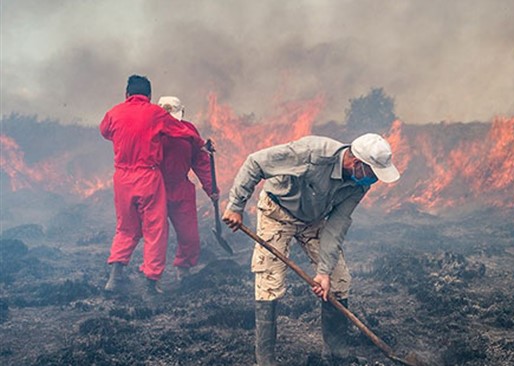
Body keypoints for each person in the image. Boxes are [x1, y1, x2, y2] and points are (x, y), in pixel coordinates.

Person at [222, 133, 400, 365]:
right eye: (374, 175)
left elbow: (336, 225)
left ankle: (336, 354)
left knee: (338, 279)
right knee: (269, 283)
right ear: (357, 164)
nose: (374, 181)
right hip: (277, 212)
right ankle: (265, 360)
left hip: (314, 220)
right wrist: (236, 205)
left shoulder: (358, 184)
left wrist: (324, 272)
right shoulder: (312, 154)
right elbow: (255, 162)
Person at [100, 75, 205, 295]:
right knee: (155, 230)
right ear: (149, 96)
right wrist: (200, 141)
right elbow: (179, 130)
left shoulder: (113, 113)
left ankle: (114, 277)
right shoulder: (155, 114)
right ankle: (151, 281)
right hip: (148, 176)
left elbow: (105, 132)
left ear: (127, 94)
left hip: (121, 177)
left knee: (126, 228)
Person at [157, 96, 218, 281]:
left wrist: (211, 188)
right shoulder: (151, 131)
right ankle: (153, 276)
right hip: (156, 187)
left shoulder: (189, 131)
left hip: (181, 187)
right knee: (157, 235)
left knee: (189, 234)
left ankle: (183, 269)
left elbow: (200, 161)